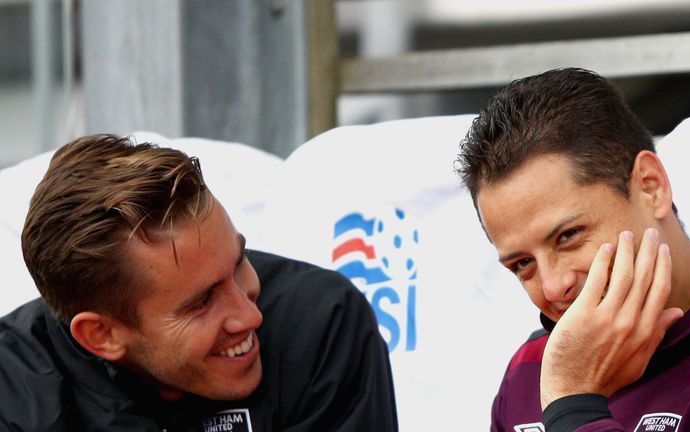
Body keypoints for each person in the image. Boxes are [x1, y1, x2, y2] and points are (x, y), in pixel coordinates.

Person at [0, 134, 398, 431]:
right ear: (102, 334)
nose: (249, 315)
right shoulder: (14, 391)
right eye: (201, 302)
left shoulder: (321, 325)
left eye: (240, 261)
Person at [456, 68, 690, 431]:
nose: (554, 287)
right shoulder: (530, 369)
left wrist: (573, 402)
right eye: (523, 263)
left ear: (651, 187)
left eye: (568, 236)